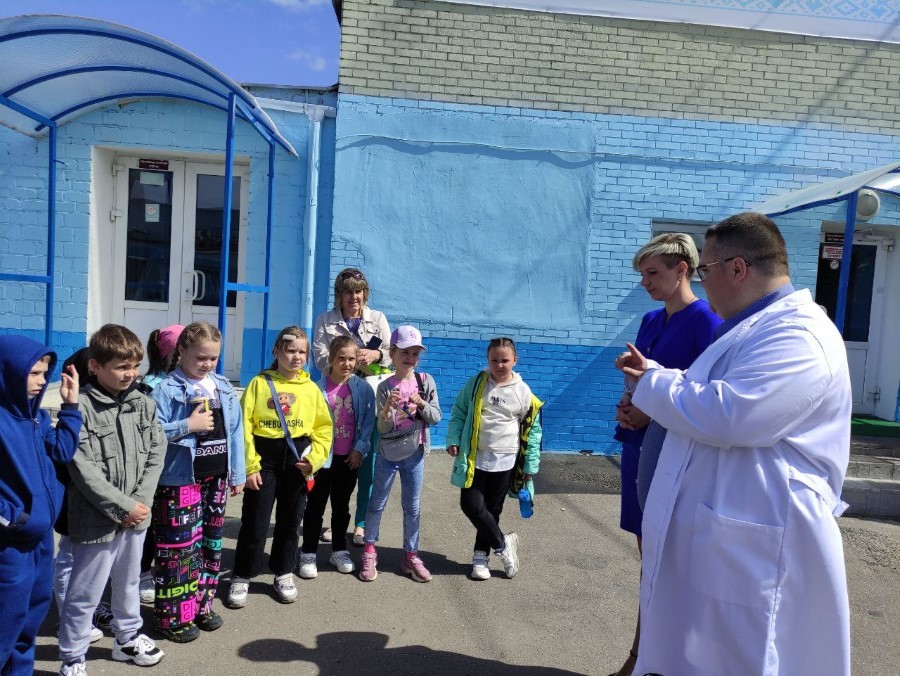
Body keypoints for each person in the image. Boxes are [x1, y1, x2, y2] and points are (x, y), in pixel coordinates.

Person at [617, 212, 852, 675]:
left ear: (738, 269)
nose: (702, 282)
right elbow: (706, 392)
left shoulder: (799, 335)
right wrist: (658, 377)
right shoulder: (753, 329)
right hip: (728, 535)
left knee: (749, 656)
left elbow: (732, 415)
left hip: (759, 542)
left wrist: (653, 384)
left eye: (705, 271)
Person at [609, 233, 721, 676]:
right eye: (642, 274)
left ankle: (648, 659)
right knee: (650, 559)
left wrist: (648, 411)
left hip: (675, 456)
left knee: (671, 563)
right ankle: (647, 657)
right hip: (638, 448)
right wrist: (629, 402)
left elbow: (704, 396)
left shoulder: (707, 322)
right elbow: (644, 381)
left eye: (653, 273)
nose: (645, 282)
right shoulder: (652, 320)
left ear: (683, 270)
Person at [58, 325, 166, 674]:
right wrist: (122, 507)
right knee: (85, 592)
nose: (130, 373)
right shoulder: (80, 408)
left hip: (138, 515)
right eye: (121, 367)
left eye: (134, 366)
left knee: (129, 581)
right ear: (95, 367)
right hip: (96, 520)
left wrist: (139, 502)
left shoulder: (144, 404)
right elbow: (81, 466)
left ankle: (127, 638)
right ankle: (73, 656)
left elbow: (156, 453)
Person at [150, 322, 245, 642]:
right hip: (179, 481)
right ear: (181, 351)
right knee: (178, 552)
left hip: (215, 479)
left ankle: (201, 606)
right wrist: (186, 425)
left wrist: (237, 473)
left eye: (213, 358)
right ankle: (172, 618)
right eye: (201, 357)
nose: (207, 364)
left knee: (210, 547)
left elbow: (236, 432)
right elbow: (151, 433)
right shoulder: (166, 389)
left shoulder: (222, 386)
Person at [226, 326, 332, 608]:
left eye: (302, 352)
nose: (296, 357)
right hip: (264, 460)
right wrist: (250, 466)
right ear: (277, 351)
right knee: (255, 520)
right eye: (290, 350)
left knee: (290, 521)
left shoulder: (311, 389)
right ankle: (243, 573)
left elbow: (323, 428)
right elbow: (243, 427)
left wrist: (314, 460)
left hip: (297, 460)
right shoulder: (259, 384)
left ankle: (284, 571)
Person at [0, 336, 81, 676]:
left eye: (44, 373)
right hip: (10, 545)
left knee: (29, 622)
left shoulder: (37, 417)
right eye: (32, 373)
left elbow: (62, 451)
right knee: (5, 625)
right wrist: (11, 519)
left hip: (41, 538)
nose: (40, 381)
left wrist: (70, 407)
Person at [446, 337, 543, 580]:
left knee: (492, 509)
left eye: (505, 360)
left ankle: (481, 558)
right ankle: (503, 543)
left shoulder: (522, 391)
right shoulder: (477, 383)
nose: (499, 365)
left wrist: (530, 465)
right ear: (487, 360)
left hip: (506, 460)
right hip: (475, 457)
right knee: (470, 505)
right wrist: (453, 438)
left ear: (515, 360)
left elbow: (533, 430)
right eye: (494, 360)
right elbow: (459, 411)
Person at [312, 267, 392, 545]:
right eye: (347, 292)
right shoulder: (325, 320)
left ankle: (361, 523)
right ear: (339, 294)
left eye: (358, 291)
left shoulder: (377, 318)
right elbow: (320, 359)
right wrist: (348, 358)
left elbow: (391, 353)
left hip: (369, 395)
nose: (353, 297)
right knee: (330, 463)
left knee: (366, 462)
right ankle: (331, 522)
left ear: (364, 293)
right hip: (335, 398)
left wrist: (376, 354)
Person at [360, 326, 441, 583]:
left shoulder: (425, 382)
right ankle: (369, 550)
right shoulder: (385, 387)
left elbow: (436, 417)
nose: (410, 358)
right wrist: (387, 409)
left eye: (415, 353)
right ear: (392, 353)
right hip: (388, 454)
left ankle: (411, 555)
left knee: (412, 506)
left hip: (415, 453)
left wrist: (421, 403)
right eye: (405, 352)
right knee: (377, 502)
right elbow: (383, 429)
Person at [298, 336, 375, 579]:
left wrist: (359, 449)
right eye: (341, 358)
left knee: (341, 507)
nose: (346, 363)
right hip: (322, 460)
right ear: (331, 359)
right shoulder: (315, 388)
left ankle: (339, 550)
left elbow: (367, 423)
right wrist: (311, 456)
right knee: (315, 506)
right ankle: (308, 552)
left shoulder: (363, 389)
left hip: (348, 459)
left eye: (351, 359)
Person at [52, 348, 113, 643]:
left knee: (90, 561)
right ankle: (69, 619)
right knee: (69, 557)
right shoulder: (76, 409)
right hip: (73, 500)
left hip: (99, 499)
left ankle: (86, 610)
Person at [137, 324, 184, 605]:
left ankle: (163, 570)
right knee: (149, 525)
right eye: (182, 349)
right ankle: (143, 572)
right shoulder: (150, 386)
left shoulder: (190, 381)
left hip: (178, 469)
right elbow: (147, 431)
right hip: (153, 469)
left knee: (170, 525)